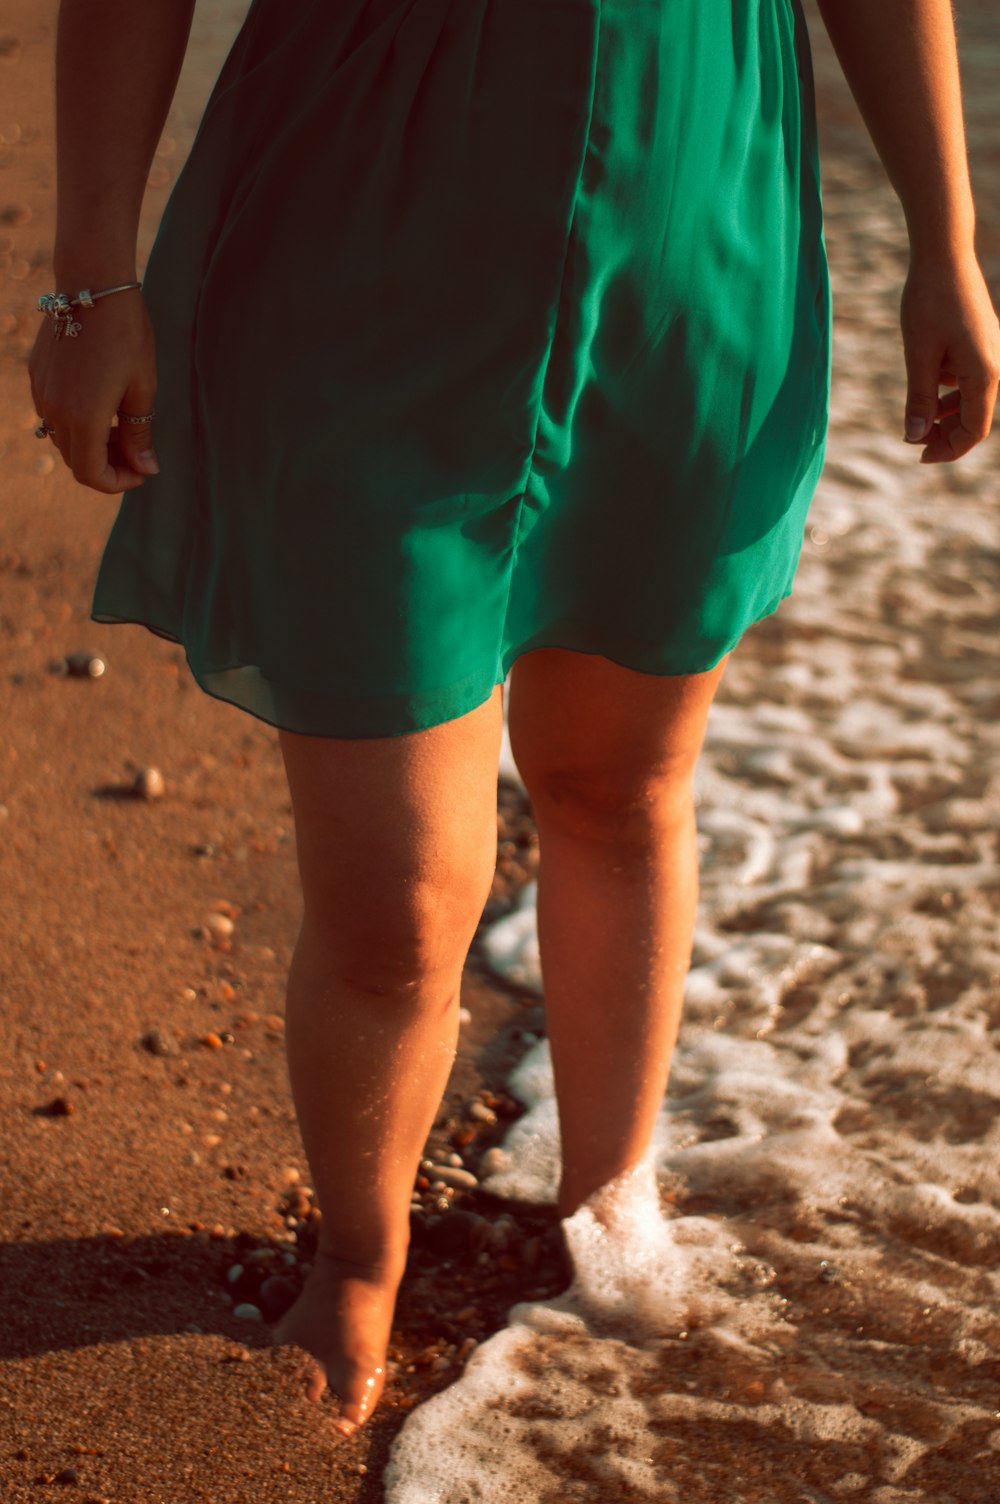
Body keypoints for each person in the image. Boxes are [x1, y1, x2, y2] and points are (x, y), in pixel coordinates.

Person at [29, 0, 999, 1439]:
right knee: (399, 907)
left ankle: (611, 1214)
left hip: (698, 223)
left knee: (620, 793)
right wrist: (89, 279)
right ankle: (358, 1266)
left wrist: (946, 242)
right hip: (363, 231)